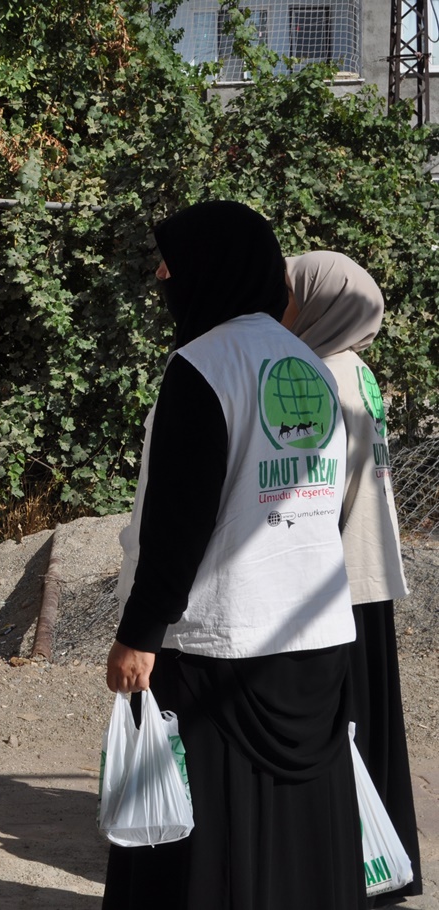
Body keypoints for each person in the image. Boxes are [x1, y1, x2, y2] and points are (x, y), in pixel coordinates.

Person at [105, 201, 364, 909]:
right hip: (314, 634)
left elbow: (179, 520)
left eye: (171, 264)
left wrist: (139, 633)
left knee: (208, 841)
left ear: (210, 269)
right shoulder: (309, 365)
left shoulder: (203, 366)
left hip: (221, 642)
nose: (162, 278)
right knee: (294, 832)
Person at [284, 251, 419, 906]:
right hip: (369, 574)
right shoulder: (357, 369)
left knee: (341, 727)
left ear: (322, 304)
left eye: (291, 294)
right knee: (371, 721)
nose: (282, 307)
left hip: (335, 577)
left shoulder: (320, 375)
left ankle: (345, 865)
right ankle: (381, 859)